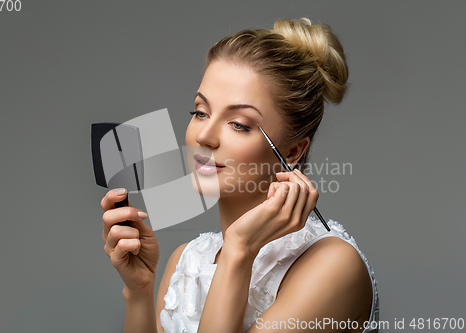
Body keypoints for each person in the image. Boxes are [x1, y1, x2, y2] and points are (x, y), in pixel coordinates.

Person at [100, 18, 379, 333]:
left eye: (239, 124)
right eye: (201, 112)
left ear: (292, 152)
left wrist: (239, 249)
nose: (204, 135)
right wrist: (139, 293)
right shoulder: (187, 261)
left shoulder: (332, 266)